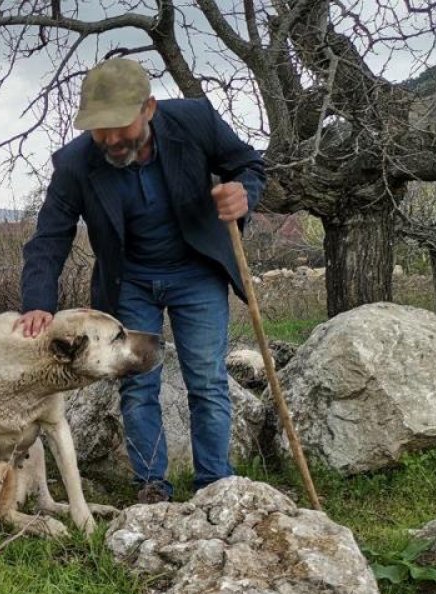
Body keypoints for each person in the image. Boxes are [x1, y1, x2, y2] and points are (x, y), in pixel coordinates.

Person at [16, 57, 266, 503]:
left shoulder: (195, 121)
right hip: (129, 281)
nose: (110, 139)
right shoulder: (76, 163)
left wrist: (244, 191)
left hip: (197, 271)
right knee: (137, 382)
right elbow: (49, 237)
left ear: (148, 108)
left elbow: (248, 165)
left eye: (119, 125)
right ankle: (152, 486)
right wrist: (38, 301)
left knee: (207, 380)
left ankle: (215, 485)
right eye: (99, 128)